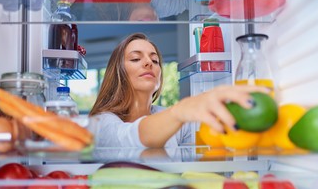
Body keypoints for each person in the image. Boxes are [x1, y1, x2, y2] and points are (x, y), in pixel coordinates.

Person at [90, 33, 269, 148]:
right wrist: (181, 110)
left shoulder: (166, 116)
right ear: (118, 71)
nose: (148, 63)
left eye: (155, 61)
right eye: (136, 58)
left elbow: (208, 139)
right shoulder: (102, 122)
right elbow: (133, 138)